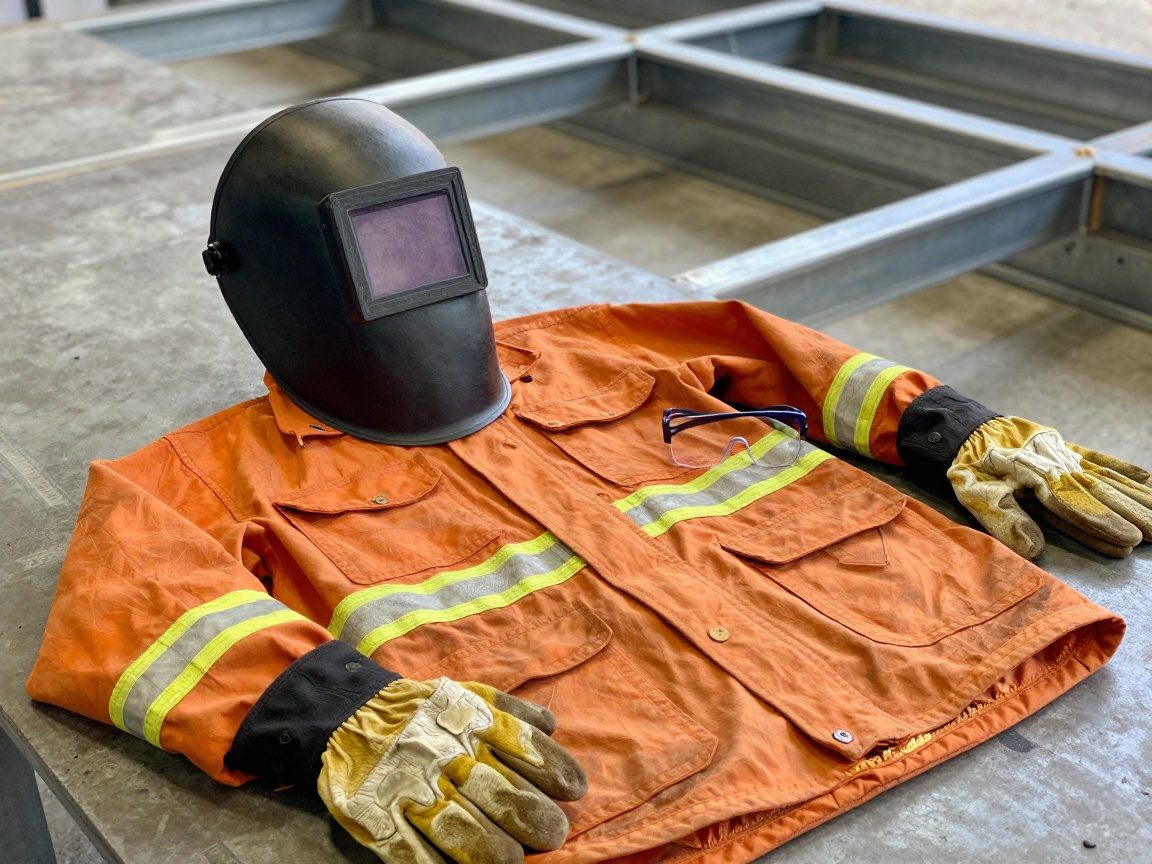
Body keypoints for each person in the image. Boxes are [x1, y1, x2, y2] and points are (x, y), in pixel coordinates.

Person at [27, 98, 1148, 863]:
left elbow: (772, 352)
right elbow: (123, 611)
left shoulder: (589, 348)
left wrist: (949, 428)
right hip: (646, 799)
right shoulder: (201, 477)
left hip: (948, 660)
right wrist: (335, 716)